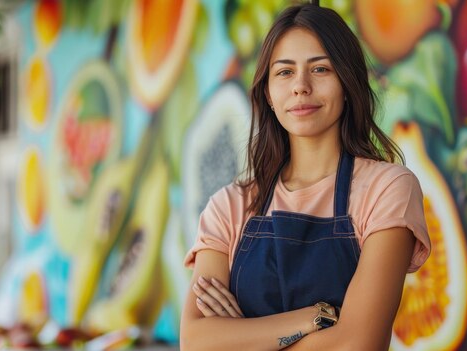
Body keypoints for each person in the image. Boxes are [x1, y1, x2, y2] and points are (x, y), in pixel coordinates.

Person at [180, 3, 431, 350]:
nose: (301, 86)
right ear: (267, 93)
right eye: (284, 72)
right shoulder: (229, 207)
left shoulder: (388, 189)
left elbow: (357, 344)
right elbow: (196, 342)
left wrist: (242, 338)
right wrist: (315, 318)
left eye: (320, 69)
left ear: (347, 81)